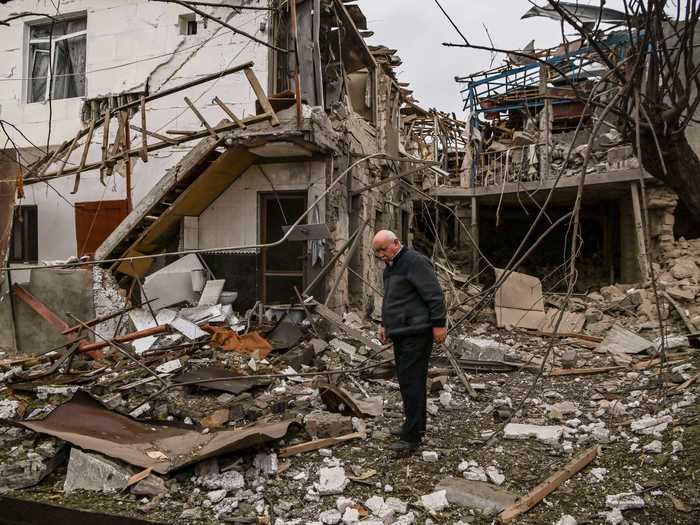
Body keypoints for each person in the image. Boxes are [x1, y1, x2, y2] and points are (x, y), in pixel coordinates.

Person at [372, 229, 447, 452]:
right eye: (377, 252)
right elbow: (392, 300)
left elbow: (434, 294)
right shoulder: (392, 268)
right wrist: (384, 324)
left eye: (383, 249)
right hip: (401, 332)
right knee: (406, 381)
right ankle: (413, 427)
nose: (381, 255)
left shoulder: (415, 262)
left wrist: (439, 324)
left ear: (396, 243)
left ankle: (411, 439)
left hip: (417, 332)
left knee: (412, 382)